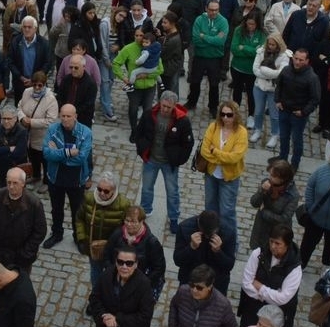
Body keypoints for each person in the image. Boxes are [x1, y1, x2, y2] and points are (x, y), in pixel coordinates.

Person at [133, 90, 193, 236]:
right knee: (146, 188)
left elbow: (188, 144)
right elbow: (139, 132)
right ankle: (145, 211)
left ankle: (173, 218)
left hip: (169, 163)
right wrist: (142, 149)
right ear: (160, 103)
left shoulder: (182, 121)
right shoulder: (149, 115)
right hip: (151, 159)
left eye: (169, 107)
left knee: (172, 192)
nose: (165, 109)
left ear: (174, 106)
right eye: (163, 106)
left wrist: (178, 159)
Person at [41, 103, 91, 249]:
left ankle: (78, 236)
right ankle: (57, 233)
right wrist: (68, 153)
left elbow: (81, 158)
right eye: (63, 116)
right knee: (56, 209)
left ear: (75, 116)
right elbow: (46, 153)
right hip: (56, 178)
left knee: (77, 210)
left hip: (76, 179)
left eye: (69, 116)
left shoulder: (85, 132)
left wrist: (58, 153)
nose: (65, 119)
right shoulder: (52, 129)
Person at [0, 166, 47, 273]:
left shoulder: (34, 203)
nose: (11, 186)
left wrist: (26, 252)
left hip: (22, 258)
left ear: (23, 183)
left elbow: (40, 231)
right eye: (8, 182)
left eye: (15, 183)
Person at [197, 101, 248, 238]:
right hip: (212, 174)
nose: (225, 118)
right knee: (210, 208)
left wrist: (216, 152)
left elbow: (234, 158)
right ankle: (211, 235)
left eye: (229, 115)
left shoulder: (241, 132)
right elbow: (204, 151)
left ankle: (230, 240)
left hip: (229, 178)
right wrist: (221, 157)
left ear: (235, 115)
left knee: (227, 212)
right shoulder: (213, 127)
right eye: (223, 114)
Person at [75, 171, 131, 287]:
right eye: (99, 189)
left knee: (113, 276)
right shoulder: (89, 198)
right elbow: (79, 218)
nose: (101, 193)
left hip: (113, 251)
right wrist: (81, 238)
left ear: (114, 190)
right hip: (94, 248)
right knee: (95, 273)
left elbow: (127, 228)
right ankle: (96, 298)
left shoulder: (123, 204)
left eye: (106, 191)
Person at [248, 158, 299, 254]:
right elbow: (254, 203)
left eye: (273, 176)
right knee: (257, 253)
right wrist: (262, 191)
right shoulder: (266, 183)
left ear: (282, 179)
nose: (270, 177)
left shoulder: (292, 195)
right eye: (270, 174)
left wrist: (264, 212)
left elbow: (284, 218)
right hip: (261, 228)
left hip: (277, 233)